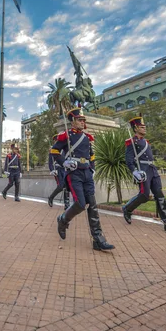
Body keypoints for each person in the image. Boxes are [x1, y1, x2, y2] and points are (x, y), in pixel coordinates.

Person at [51, 107, 114, 251]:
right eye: (80, 120)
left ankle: (98, 239)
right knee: (80, 203)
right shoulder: (66, 136)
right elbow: (54, 151)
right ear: (72, 121)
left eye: (83, 120)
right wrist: (64, 162)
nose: (82, 122)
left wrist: (92, 167)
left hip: (87, 173)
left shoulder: (87, 137)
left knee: (92, 205)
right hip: (74, 173)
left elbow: (91, 155)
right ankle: (63, 219)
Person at [123, 115, 166, 233]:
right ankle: (127, 208)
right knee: (144, 195)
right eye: (142, 127)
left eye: (145, 126)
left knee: (159, 194)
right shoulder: (131, 142)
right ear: (135, 128)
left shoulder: (146, 142)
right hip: (143, 170)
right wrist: (134, 171)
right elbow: (129, 160)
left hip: (152, 168)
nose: (144, 128)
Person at [48, 134, 70, 210]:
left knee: (66, 186)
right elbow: (50, 162)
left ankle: (67, 204)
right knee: (61, 186)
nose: (57, 141)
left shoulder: (65, 149)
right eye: (56, 140)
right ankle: (51, 197)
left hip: (65, 169)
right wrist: (52, 170)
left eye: (58, 140)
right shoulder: (52, 150)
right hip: (57, 170)